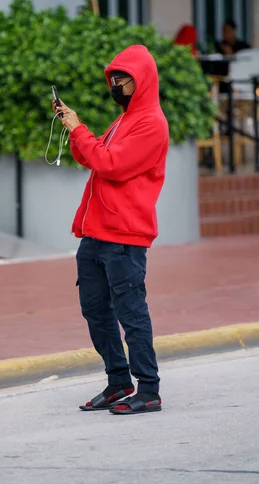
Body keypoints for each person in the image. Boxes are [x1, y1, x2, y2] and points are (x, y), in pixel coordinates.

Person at [52, 45, 169, 415]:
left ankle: (148, 389)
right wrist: (74, 128)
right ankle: (119, 381)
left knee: (131, 312)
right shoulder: (124, 120)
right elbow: (91, 155)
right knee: (95, 310)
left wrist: (79, 128)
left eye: (123, 79)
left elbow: (111, 164)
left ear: (143, 81)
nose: (116, 85)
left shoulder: (151, 123)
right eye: (113, 79)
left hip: (124, 236)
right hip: (96, 233)